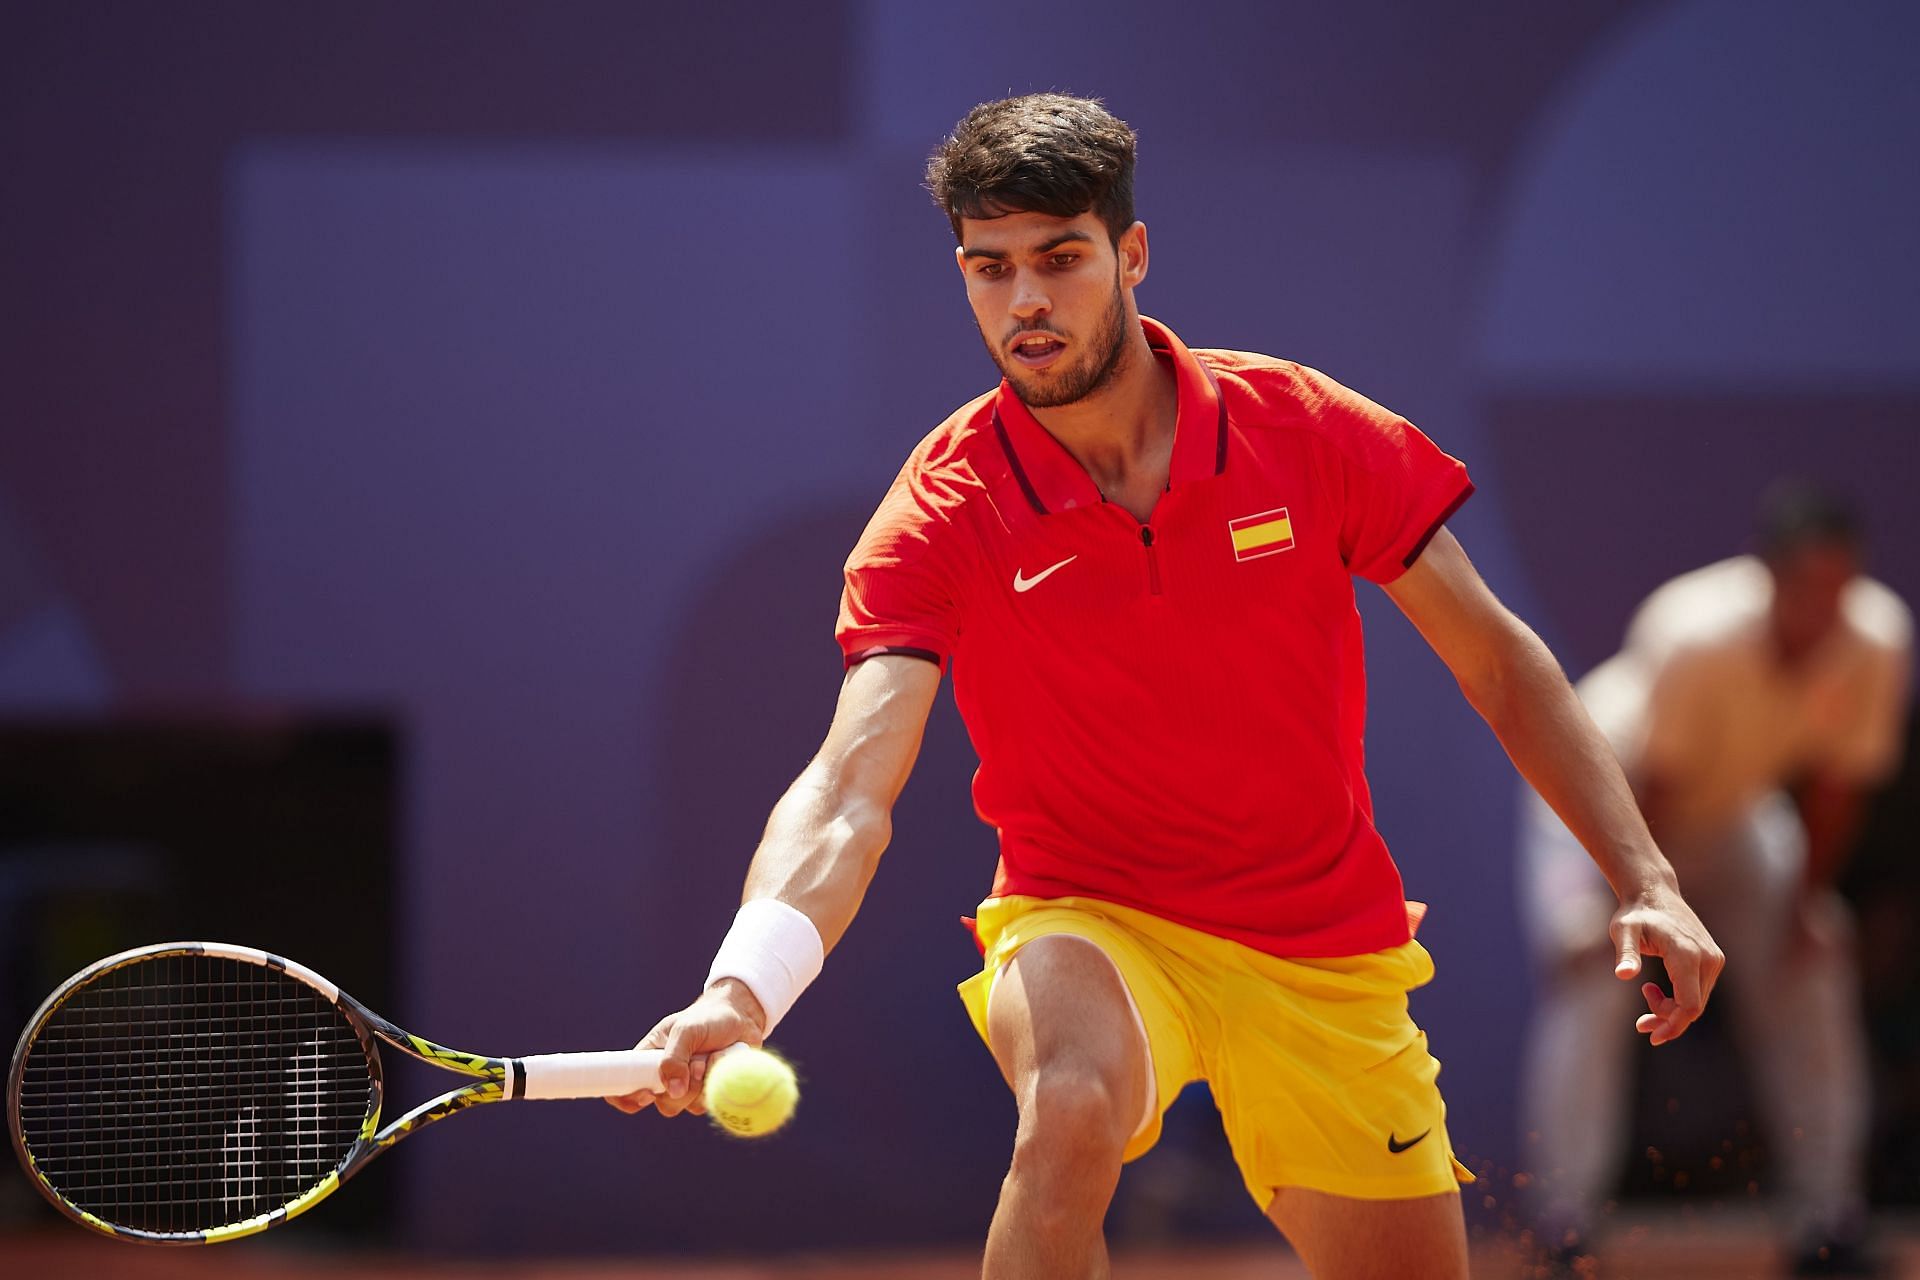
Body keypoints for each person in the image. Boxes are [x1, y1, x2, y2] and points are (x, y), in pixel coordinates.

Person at [609, 94, 1722, 1280]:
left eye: (1060, 259)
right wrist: (743, 983)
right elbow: (846, 789)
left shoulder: (1302, 428)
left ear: (1130, 253)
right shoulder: (942, 510)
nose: (1025, 301)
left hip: (1321, 939)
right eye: (990, 270)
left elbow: (1497, 660)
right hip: (1088, 916)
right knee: (1071, 1107)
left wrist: (1646, 876)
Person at [1518, 487, 1912, 1278]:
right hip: (1604, 802)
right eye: (1807, 589)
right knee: (1594, 973)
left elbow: (1836, 793)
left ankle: (1826, 1216)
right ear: (1767, 578)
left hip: (1732, 817)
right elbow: (1650, 794)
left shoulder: (1877, 639)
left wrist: (1800, 912)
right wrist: (1642, 906)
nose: (1824, 609)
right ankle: (1564, 1226)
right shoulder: (1696, 631)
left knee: (1817, 957)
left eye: (1840, 588)